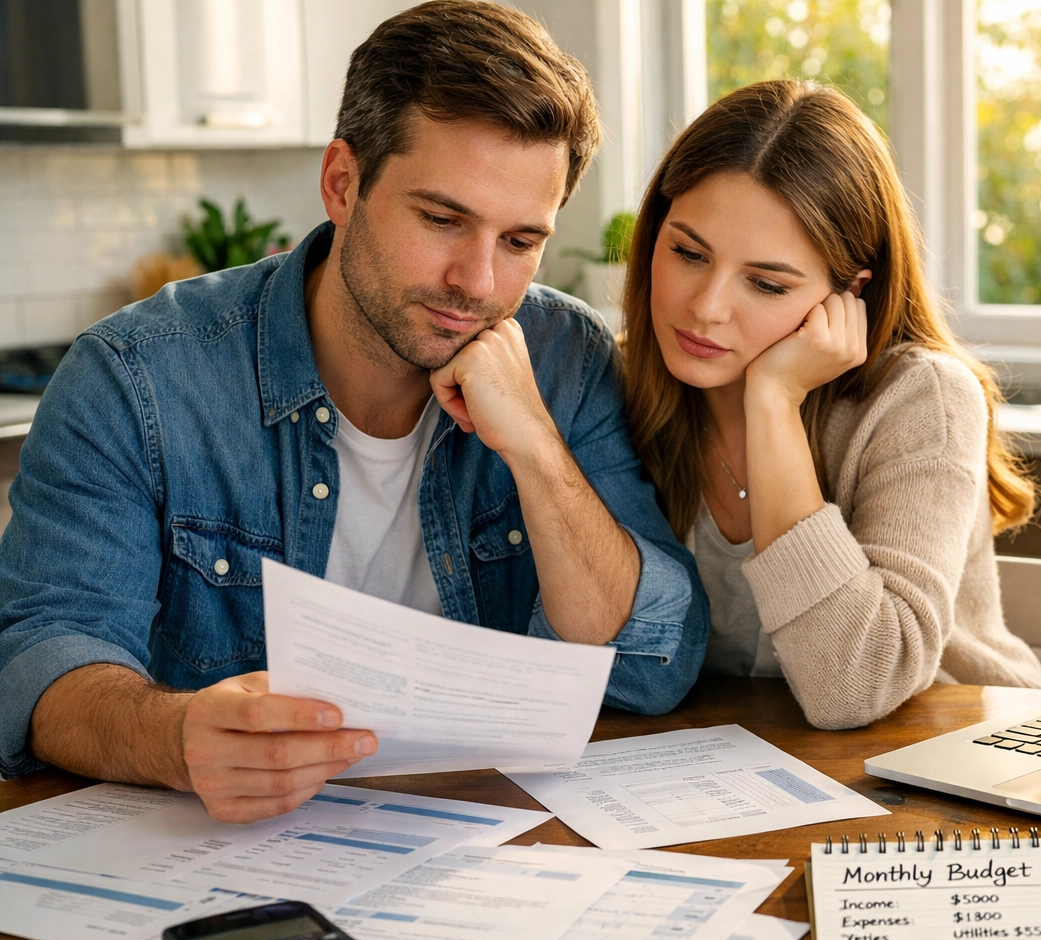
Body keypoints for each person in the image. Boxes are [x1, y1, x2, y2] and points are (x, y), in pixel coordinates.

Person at [0, 0, 707, 822]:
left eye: (520, 241)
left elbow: (653, 664)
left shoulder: (564, 359)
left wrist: (535, 447)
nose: (477, 283)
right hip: (225, 852)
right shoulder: (136, 377)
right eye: (441, 219)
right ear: (343, 183)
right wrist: (177, 737)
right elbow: (37, 658)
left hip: (487, 846)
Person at [622, 80, 1041, 731]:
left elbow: (855, 687)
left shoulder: (921, 398)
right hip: (734, 762)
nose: (706, 308)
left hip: (951, 754)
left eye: (766, 283)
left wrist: (774, 403)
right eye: (687, 252)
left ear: (848, 294)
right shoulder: (618, 383)